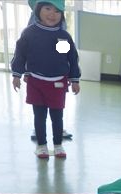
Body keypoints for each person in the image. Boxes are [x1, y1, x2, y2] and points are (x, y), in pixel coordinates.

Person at [11, 0, 80, 159]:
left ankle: (58, 145)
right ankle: (41, 145)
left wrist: (75, 79)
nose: (52, 14)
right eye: (48, 9)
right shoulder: (29, 33)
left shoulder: (63, 36)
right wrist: (17, 74)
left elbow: (70, 58)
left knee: (57, 116)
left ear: (62, 14)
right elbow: (21, 55)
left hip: (57, 83)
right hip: (36, 82)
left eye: (57, 11)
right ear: (38, 10)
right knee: (39, 116)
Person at [26, 0, 72, 142]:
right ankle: (39, 129)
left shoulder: (60, 26)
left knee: (60, 51)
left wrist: (67, 73)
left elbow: (64, 53)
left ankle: (58, 128)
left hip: (57, 23)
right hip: (40, 17)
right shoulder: (33, 28)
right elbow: (27, 50)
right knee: (39, 107)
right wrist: (27, 71)